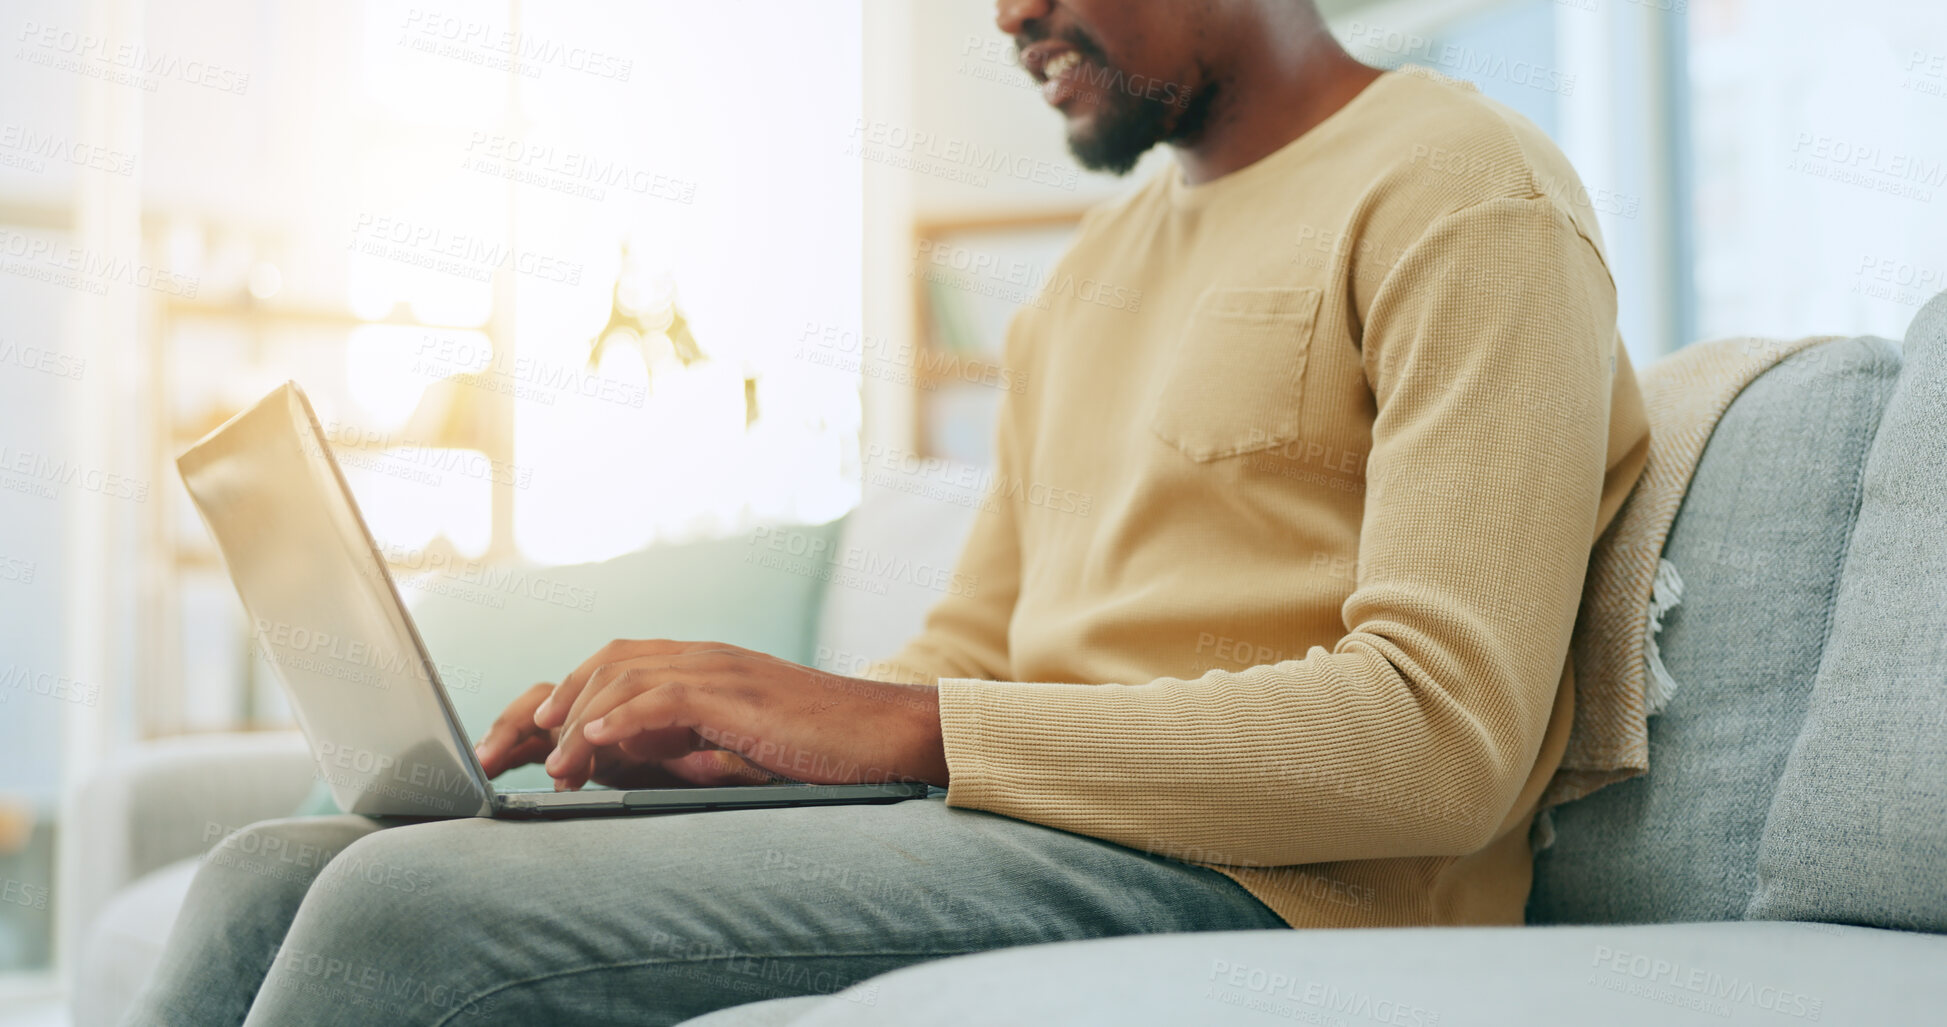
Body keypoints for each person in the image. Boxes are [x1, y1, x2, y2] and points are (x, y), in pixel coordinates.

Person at [126, 0, 1648, 1023]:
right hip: (1034, 830)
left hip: (1282, 888)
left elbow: (1444, 737)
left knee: (410, 925)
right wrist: (722, 742)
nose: (1003, 12)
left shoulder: (1465, 191)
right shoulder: (1082, 287)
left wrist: (912, 731)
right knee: (269, 864)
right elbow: (971, 654)